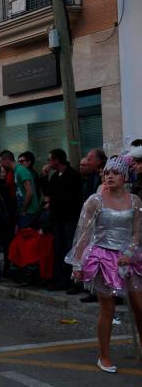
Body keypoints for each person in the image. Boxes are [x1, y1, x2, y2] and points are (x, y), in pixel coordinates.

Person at [65, 155, 141, 373]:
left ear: (125, 176)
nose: (109, 176)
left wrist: (129, 252)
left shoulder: (135, 201)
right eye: (106, 172)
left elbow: (137, 233)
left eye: (115, 173)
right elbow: (83, 233)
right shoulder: (94, 201)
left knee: (140, 307)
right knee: (108, 308)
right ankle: (104, 356)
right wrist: (78, 264)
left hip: (130, 258)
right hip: (102, 258)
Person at [40, 148, 83, 292]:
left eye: (49, 159)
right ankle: (61, 280)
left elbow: (74, 198)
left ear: (57, 160)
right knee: (60, 249)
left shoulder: (72, 175)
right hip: (58, 218)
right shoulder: (55, 176)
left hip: (69, 218)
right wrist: (44, 177)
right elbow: (48, 192)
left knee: (71, 249)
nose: (48, 163)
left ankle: (74, 281)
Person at [0, 150, 38, 228]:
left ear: (6, 160)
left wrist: (23, 210)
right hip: (23, 212)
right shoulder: (15, 171)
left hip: (28, 212)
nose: (1, 165)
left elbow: (29, 192)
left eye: (1, 162)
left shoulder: (21, 170)